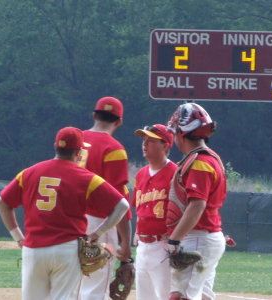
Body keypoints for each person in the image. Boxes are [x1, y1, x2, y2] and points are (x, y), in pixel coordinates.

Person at [0, 127, 129, 300]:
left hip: (33, 249)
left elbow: (2, 203)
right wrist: (97, 233)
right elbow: (122, 205)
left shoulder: (29, 172)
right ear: (79, 152)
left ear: (55, 146)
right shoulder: (86, 177)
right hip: (67, 249)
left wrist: (19, 238)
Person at [166, 103, 227, 300]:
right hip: (205, 235)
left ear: (182, 133)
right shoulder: (207, 158)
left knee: (181, 296)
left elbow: (197, 205)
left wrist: (174, 239)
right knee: (202, 296)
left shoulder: (200, 162)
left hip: (198, 237)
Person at [79, 96, 133, 300]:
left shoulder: (74, 140)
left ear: (94, 115)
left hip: (68, 220)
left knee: (71, 283)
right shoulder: (114, 149)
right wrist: (125, 242)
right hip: (98, 224)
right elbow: (118, 201)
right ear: (118, 122)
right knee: (95, 287)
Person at [132, 124, 177, 300]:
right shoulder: (140, 174)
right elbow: (140, 207)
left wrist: (176, 237)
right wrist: (137, 230)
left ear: (165, 145)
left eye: (151, 141)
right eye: (144, 140)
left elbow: (186, 208)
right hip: (143, 247)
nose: (145, 144)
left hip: (164, 246)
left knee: (166, 296)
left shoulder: (175, 173)